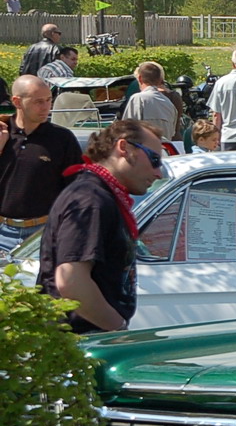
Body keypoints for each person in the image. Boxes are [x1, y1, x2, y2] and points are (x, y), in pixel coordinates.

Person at [36, 118, 164, 333]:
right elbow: (71, 281)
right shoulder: (90, 199)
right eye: (154, 160)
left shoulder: (101, 195)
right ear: (123, 148)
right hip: (79, 342)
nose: (158, 173)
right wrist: (118, 329)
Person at [0, 75, 82, 251]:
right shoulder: (2, 133)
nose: (46, 107)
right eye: (38, 101)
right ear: (17, 102)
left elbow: (76, 190)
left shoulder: (62, 139)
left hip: (43, 234)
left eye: (48, 100)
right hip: (2, 233)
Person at [120, 61, 180, 143]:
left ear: (140, 78)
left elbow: (127, 131)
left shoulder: (138, 99)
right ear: (160, 80)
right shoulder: (169, 103)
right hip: (165, 151)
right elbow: (172, 133)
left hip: (143, 151)